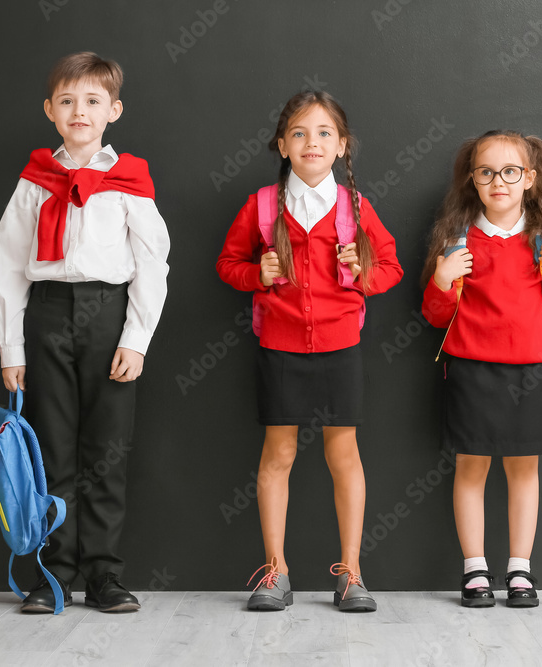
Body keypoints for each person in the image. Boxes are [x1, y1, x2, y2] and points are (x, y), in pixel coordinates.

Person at [0, 52, 170, 613]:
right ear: (50, 110)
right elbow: (5, 264)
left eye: (92, 100)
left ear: (113, 110)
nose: (79, 110)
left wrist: (135, 338)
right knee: (53, 452)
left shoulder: (128, 180)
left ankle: (105, 575)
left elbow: (153, 262)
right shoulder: (36, 180)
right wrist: (11, 347)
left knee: (107, 453)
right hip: (46, 314)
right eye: (67, 100)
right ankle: (53, 574)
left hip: (108, 314)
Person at [216, 91, 403, 612]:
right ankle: (275, 573)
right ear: (282, 146)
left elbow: (391, 269)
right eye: (299, 133)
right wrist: (259, 274)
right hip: (279, 349)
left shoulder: (357, 208)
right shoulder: (260, 206)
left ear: (342, 146)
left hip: (342, 349)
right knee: (278, 455)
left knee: (344, 456)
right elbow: (228, 264)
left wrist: (363, 272)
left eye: (324, 133)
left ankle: (351, 574)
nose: (311, 142)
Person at [421, 130, 542, 608]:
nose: (499, 181)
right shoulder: (456, 239)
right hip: (471, 369)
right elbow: (435, 315)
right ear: (473, 180)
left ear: (530, 179)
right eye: (487, 172)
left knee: (523, 470)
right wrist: (441, 280)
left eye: (510, 172)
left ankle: (520, 570)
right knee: (470, 469)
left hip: (530, 372)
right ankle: (474, 570)